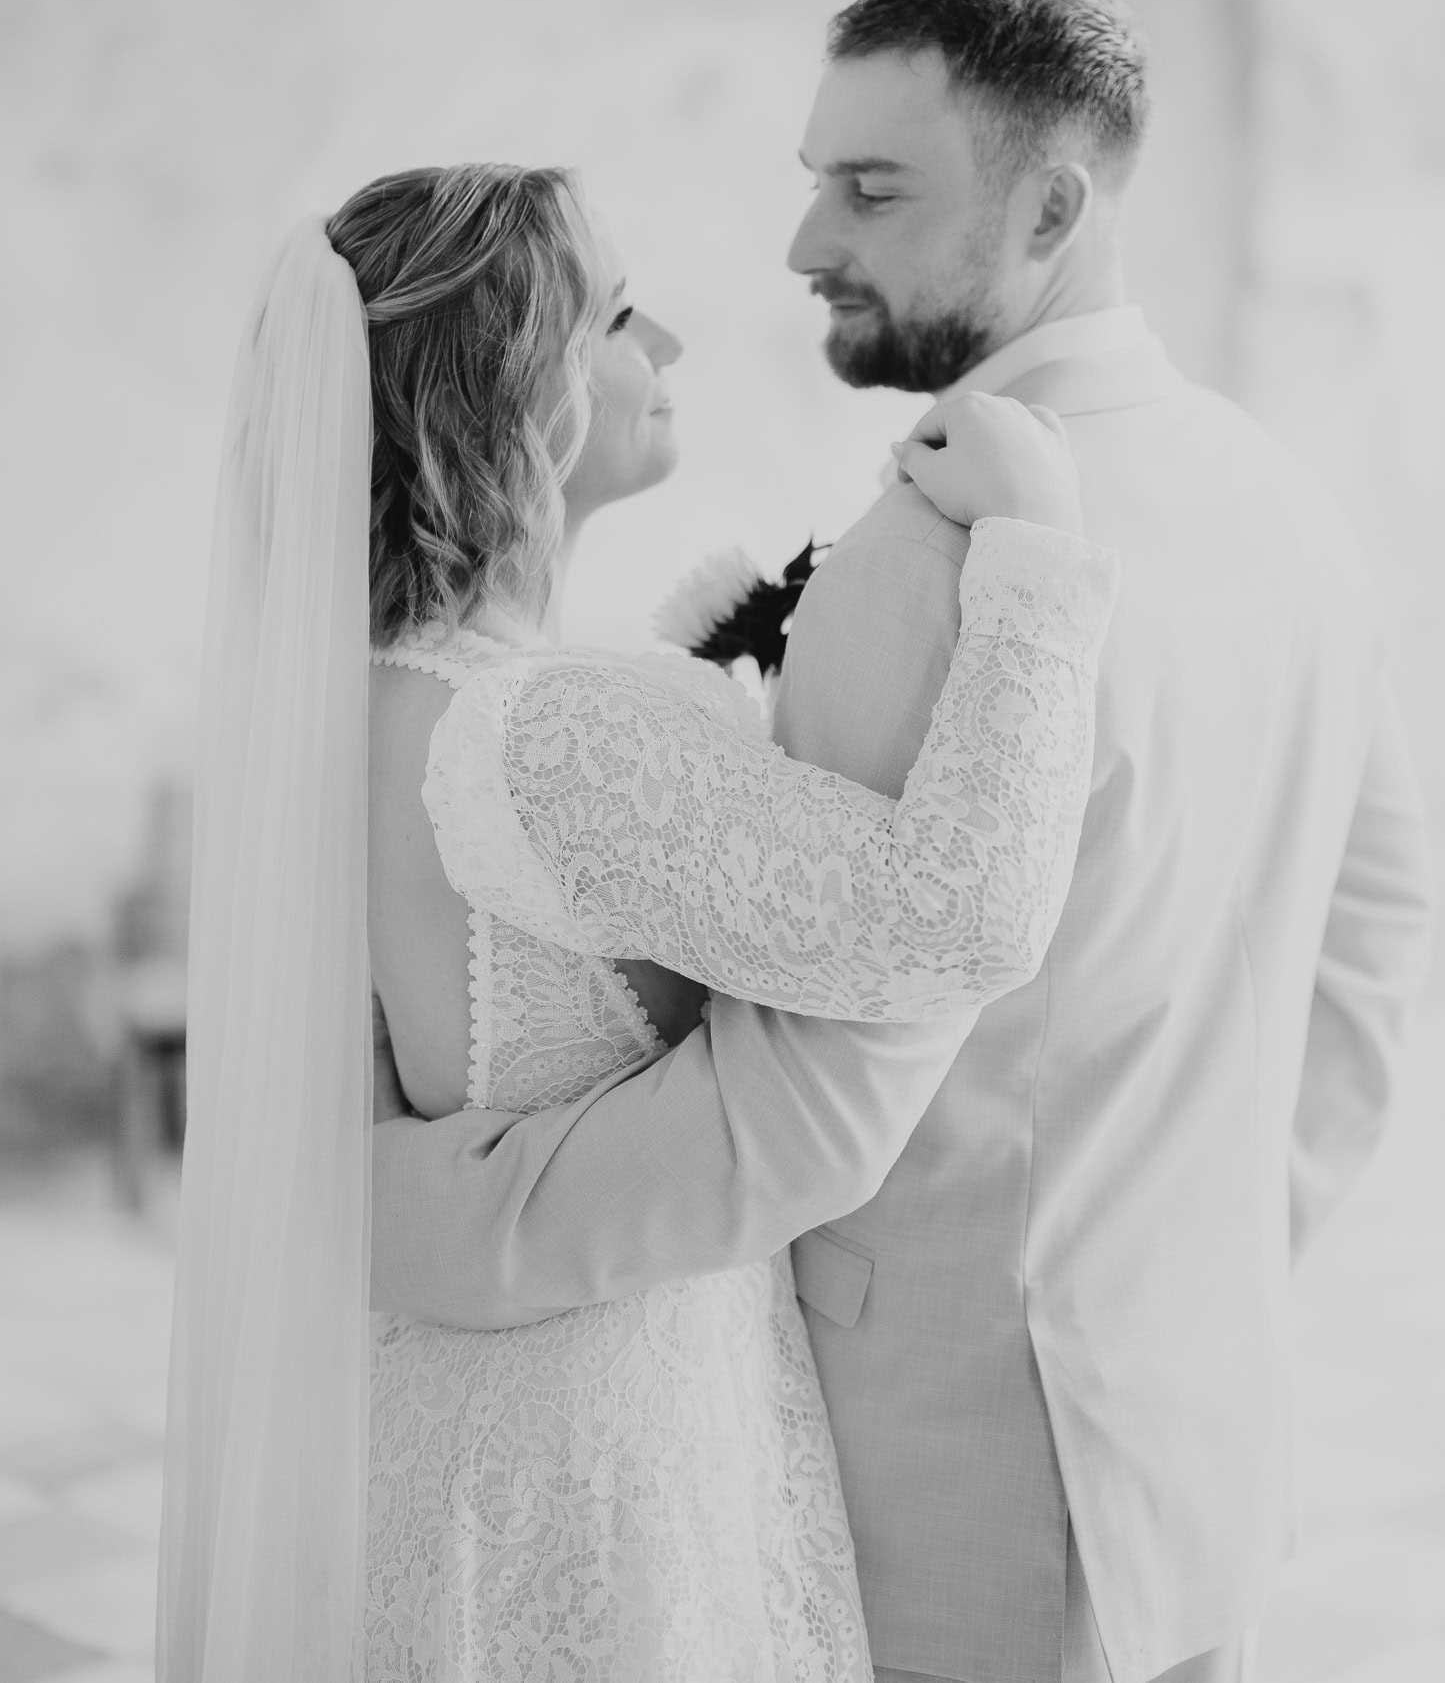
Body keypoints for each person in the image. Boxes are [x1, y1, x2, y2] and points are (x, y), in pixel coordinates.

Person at [368, 0, 1433, 1683]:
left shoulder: (929, 557)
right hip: (1198, 1431)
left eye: (871, 190)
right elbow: (1377, 939)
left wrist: (415, 1212)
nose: (801, 239)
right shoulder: (1280, 495)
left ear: (1053, 207)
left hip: (956, 1446)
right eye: (815, 175)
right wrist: (1196, 1243)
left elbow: (812, 1081)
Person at [156, 158, 1120, 1683]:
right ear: (510, 389)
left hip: (429, 1415)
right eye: (612, 312)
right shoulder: (539, 732)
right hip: (601, 1438)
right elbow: (952, 919)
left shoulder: (348, 702)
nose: (663, 341)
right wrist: (1043, 557)